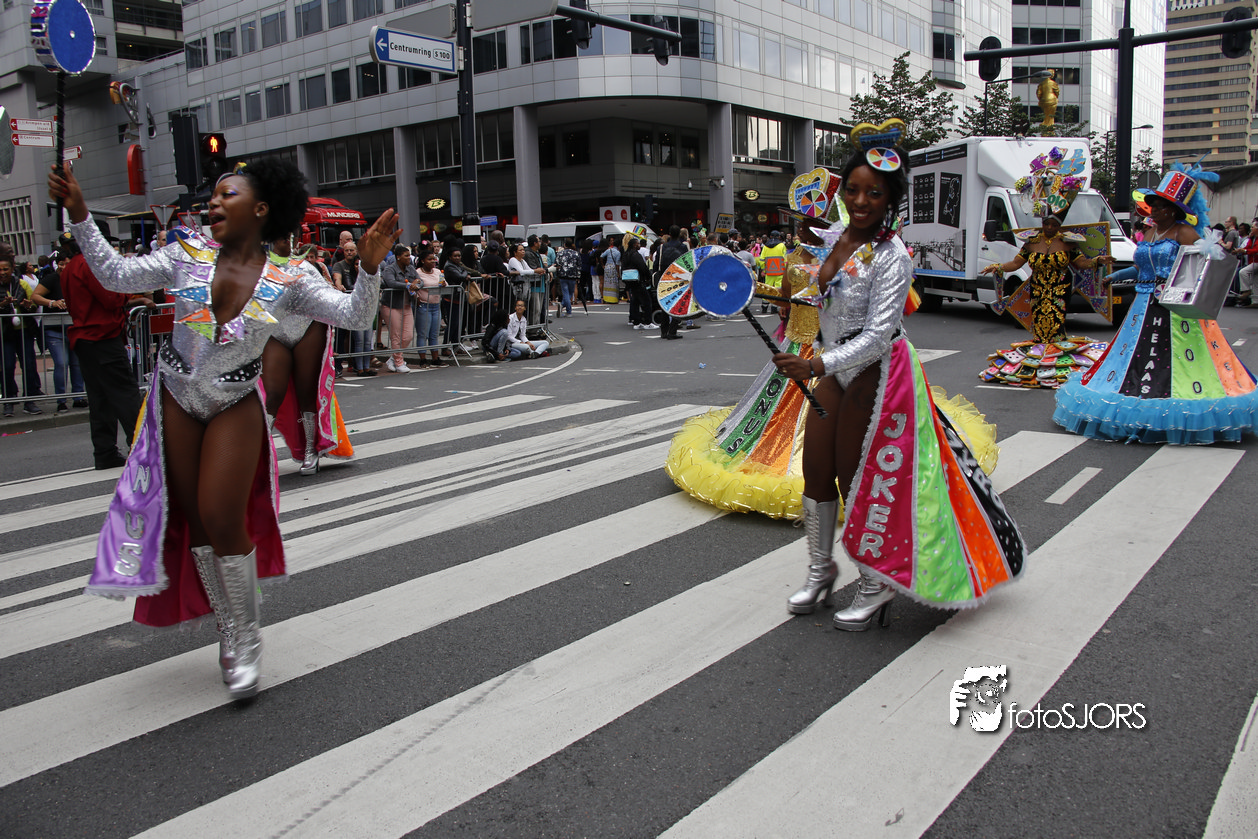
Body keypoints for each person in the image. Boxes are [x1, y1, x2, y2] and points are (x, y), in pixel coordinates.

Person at [49, 157, 398, 700]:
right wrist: (79, 213)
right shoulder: (184, 254)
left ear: (260, 209)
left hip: (234, 399)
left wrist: (369, 270)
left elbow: (353, 316)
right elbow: (115, 275)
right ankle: (229, 628)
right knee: (195, 519)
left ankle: (247, 636)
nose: (213, 202)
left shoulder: (291, 278)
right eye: (213, 195)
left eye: (227, 194)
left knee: (220, 512)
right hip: (176, 395)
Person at [769, 122, 1025, 631]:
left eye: (874, 193)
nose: (861, 201)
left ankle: (875, 580)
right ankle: (821, 570)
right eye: (853, 189)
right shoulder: (832, 240)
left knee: (857, 477)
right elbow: (821, 302)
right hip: (833, 365)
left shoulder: (893, 256)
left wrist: (815, 364)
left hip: (877, 373)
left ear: (890, 200)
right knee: (815, 470)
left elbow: (878, 336)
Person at [1054, 164, 1258, 444]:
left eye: (1162, 206)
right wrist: (1115, 276)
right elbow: (1142, 268)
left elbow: (1205, 262)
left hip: (1174, 306)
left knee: (1174, 357)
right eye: (1154, 205)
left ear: (1174, 211)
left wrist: (1205, 268)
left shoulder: (1183, 232)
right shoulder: (1149, 233)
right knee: (1134, 357)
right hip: (1142, 304)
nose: (1155, 211)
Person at [978, 150, 1114, 389]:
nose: (1049, 227)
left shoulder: (1068, 242)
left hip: (1060, 289)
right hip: (1038, 288)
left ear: (1059, 224)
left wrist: (1098, 261)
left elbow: (1080, 263)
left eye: (1053, 224)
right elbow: (1016, 264)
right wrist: (997, 267)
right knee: (1039, 324)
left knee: (1056, 323)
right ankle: (1041, 358)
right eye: (1046, 223)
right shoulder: (1031, 241)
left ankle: (1056, 359)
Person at [263, 234, 357, 478]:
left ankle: (310, 450)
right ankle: (257, 454)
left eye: (286, 236)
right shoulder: (256, 268)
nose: (280, 242)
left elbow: (329, 300)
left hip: (308, 329)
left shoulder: (306, 268)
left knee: (306, 391)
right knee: (272, 394)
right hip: (275, 333)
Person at [57, 236, 143, 466]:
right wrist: (130, 294)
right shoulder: (91, 264)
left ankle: (105, 451)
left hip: (84, 337)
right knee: (125, 393)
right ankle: (142, 446)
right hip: (102, 336)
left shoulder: (70, 267)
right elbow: (111, 299)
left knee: (99, 398)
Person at [28, 251, 86, 412]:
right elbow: (35, 296)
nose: (64, 267)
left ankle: (78, 397)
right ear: (57, 265)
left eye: (68, 264)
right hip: (54, 330)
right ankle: (61, 400)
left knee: (76, 364)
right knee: (61, 363)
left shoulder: (78, 279)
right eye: (61, 264)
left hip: (75, 328)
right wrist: (52, 303)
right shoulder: (51, 279)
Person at [0, 255, 45, 416]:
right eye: (0, 270)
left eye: (6, 269)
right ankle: (8, 401)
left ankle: (29, 401)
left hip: (24, 331)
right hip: (5, 333)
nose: (3, 272)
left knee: (29, 365)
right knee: (7, 366)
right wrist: (3, 305)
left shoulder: (22, 284)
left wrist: (28, 305)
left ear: (12, 269)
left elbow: (33, 305)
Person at [329, 241, 376, 380]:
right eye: (346, 250)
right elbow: (338, 279)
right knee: (341, 338)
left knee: (362, 340)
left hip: (362, 309)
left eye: (351, 250)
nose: (349, 252)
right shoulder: (340, 265)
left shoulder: (363, 269)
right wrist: (339, 285)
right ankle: (339, 367)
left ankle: (360, 366)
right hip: (344, 307)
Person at [380, 244, 416, 373]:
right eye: (406, 256)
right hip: (391, 305)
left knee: (408, 335)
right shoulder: (389, 269)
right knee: (396, 335)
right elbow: (391, 282)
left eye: (409, 255)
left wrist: (417, 284)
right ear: (398, 257)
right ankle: (399, 362)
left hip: (406, 305)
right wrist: (408, 285)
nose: (409, 258)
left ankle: (393, 358)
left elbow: (419, 280)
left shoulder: (411, 268)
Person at [410, 249, 448, 368]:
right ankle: (423, 359)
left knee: (434, 334)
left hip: (436, 305)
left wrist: (444, 284)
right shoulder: (417, 273)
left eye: (434, 259)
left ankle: (435, 358)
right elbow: (413, 287)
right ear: (422, 261)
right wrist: (416, 297)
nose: (433, 261)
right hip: (423, 306)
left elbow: (444, 283)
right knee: (423, 334)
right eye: (430, 259)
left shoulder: (437, 271)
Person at [622, 235, 654, 329]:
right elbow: (642, 267)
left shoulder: (625, 255)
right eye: (638, 244)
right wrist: (648, 276)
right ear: (634, 245)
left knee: (635, 301)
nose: (639, 245)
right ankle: (648, 322)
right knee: (647, 301)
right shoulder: (636, 255)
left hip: (629, 280)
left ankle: (636, 322)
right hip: (638, 280)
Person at [554, 237, 580, 318]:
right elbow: (579, 265)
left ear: (564, 244)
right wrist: (578, 276)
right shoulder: (576, 253)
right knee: (570, 292)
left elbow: (557, 264)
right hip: (573, 275)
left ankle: (564, 306)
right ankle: (568, 310)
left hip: (563, 275)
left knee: (565, 292)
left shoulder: (560, 253)